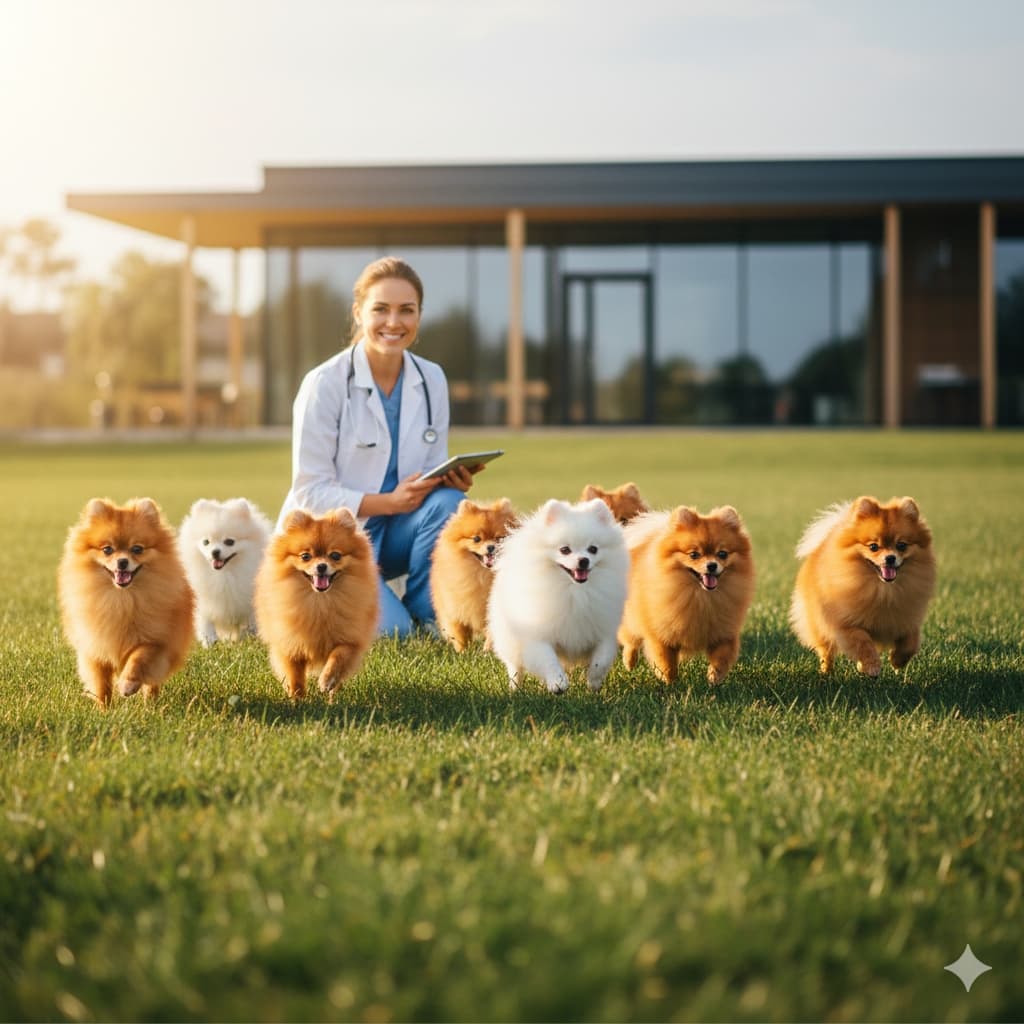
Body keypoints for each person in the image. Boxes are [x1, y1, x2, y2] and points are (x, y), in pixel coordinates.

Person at [277, 256, 481, 637]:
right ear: (358, 313)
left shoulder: (431, 378)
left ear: (419, 316)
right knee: (394, 633)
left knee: (449, 505)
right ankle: (392, 612)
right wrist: (389, 503)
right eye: (381, 309)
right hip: (334, 543)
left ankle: (430, 611)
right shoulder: (324, 383)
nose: (394, 322)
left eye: (407, 310)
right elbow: (309, 493)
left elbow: (430, 468)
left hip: (399, 532)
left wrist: (449, 480)